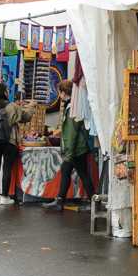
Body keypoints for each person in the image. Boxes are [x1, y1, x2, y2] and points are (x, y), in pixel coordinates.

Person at [44, 80, 95, 211]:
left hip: (75, 149)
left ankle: (60, 201)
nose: (59, 96)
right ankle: (92, 201)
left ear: (63, 92)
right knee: (80, 173)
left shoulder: (71, 107)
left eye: (59, 93)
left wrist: (69, 152)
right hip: (79, 148)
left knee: (70, 171)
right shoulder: (75, 105)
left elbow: (72, 132)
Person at [0, 82, 31, 205]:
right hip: (9, 141)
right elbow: (26, 117)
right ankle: (5, 196)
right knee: (7, 169)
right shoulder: (11, 106)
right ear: (4, 92)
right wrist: (31, 107)